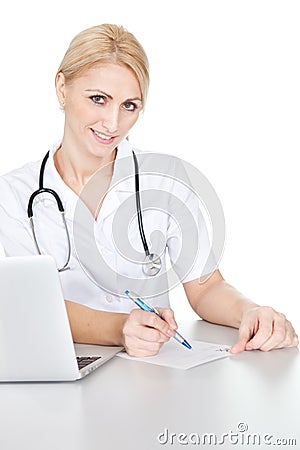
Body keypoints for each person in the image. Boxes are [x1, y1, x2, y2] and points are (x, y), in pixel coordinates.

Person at [0, 24, 298, 357]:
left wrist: (251, 312)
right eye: (98, 99)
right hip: (58, 383)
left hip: (152, 379)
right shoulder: (14, 195)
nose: (113, 124)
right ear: (62, 87)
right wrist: (119, 328)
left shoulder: (165, 178)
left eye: (129, 106)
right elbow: (26, 305)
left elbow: (206, 288)